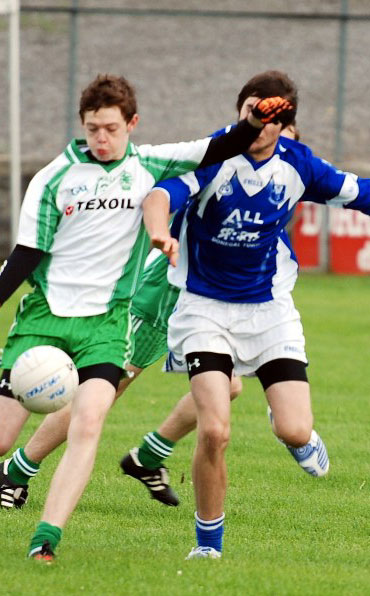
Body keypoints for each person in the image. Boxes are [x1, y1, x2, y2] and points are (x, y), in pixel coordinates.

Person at [0, 73, 293, 562]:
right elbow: (26, 252)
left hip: (108, 324)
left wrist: (253, 122)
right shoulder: (54, 177)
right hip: (45, 320)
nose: (101, 139)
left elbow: (220, 146)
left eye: (110, 129)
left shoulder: (149, 163)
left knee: (91, 420)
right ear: (81, 125)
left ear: (132, 124)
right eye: (92, 129)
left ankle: (46, 539)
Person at [119, 70, 370, 561]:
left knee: (295, 430)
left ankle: (292, 429)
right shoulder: (216, 155)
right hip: (204, 311)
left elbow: (360, 192)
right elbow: (159, 196)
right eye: (249, 113)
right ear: (240, 112)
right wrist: (158, 233)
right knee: (215, 429)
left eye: (268, 117)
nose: (256, 124)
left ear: (284, 125)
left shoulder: (299, 166)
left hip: (268, 312)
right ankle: (208, 547)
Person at [120, 123, 330, 508]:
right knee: (107, 384)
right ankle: (19, 467)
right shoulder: (219, 165)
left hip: (239, 309)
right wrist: (159, 231)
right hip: (173, 292)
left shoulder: (282, 190)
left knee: (228, 387)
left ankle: (146, 457)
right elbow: (164, 196)